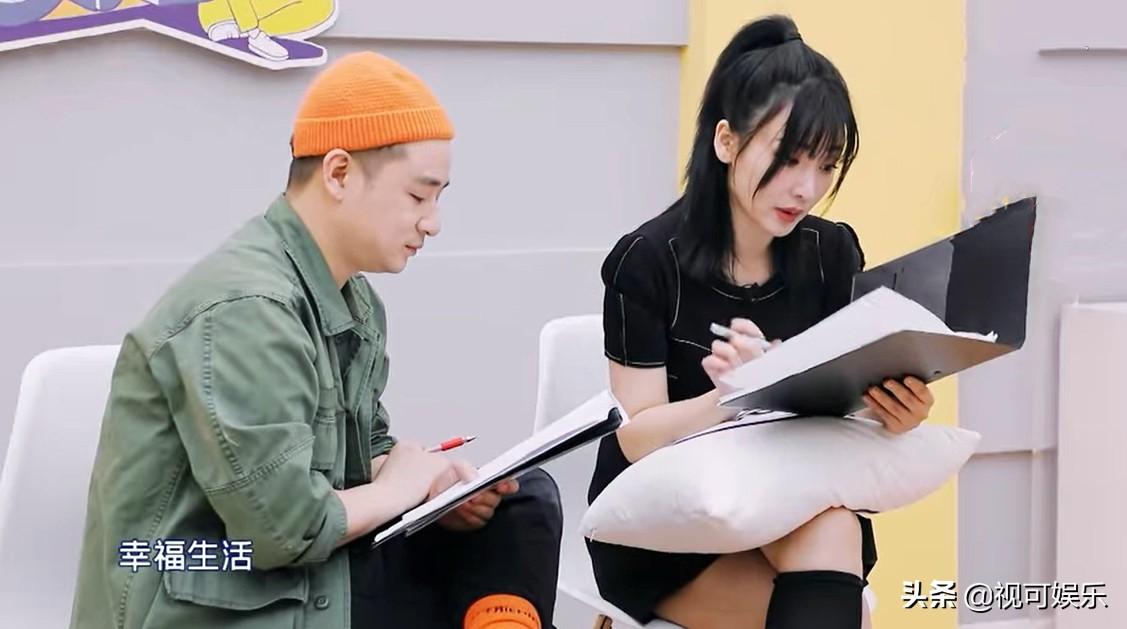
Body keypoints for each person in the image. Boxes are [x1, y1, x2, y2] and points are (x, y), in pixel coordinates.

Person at [70, 51, 562, 629]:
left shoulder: (351, 298)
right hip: (206, 576)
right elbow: (284, 528)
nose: (433, 222)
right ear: (338, 173)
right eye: (418, 196)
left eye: (438, 198)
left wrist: (431, 488)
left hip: (288, 564)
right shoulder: (247, 308)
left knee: (521, 503)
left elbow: (358, 455)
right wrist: (399, 489)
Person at [586, 15, 935, 629]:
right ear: (726, 141)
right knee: (838, 607)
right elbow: (636, 437)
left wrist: (894, 410)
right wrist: (732, 397)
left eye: (825, 165)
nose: (806, 187)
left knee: (833, 532)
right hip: (669, 525)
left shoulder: (831, 253)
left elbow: (842, 404)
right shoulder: (647, 260)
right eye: (788, 157)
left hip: (790, 493)